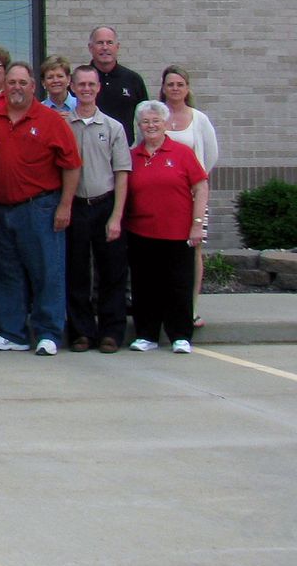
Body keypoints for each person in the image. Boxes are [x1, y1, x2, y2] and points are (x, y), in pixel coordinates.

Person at [0, 63, 81, 356]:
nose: (16, 88)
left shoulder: (50, 120)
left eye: (22, 82)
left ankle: (49, 333)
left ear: (33, 87)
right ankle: (13, 332)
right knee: (4, 273)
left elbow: (72, 165)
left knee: (47, 271)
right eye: (11, 82)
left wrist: (65, 206)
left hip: (39, 208)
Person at [125, 101, 209, 354]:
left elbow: (201, 187)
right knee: (144, 284)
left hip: (177, 231)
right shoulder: (133, 156)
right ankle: (146, 334)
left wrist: (197, 224)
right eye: (145, 122)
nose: (151, 126)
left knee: (178, 284)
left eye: (156, 121)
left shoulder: (182, 153)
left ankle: (180, 335)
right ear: (139, 126)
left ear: (165, 124)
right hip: (141, 231)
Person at [64, 64, 132, 352]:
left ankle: (111, 332)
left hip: (105, 204)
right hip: (75, 206)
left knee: (111, 272)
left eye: (91, 84)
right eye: (81, 85)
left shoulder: (113, 127)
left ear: (98, 88)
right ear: (73, 87)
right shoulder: (64, 125)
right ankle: (81, 332)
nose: (87, 89)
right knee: (77, 272)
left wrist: (116, 216)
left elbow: (122, 173)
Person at [159, 64, 220, 325]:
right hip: (160, 197)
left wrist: (193, 185)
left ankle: (190, 308)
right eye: (170, 84)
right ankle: (163, 308)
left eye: (179, 84)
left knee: (192, 252)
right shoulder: (156, 115)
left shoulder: (199, 119)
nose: (175, 88)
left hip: (192, 198)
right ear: (163, 88)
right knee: (160, 251)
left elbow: (211, 155)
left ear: (187, 88)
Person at [87, 26, 148, 141]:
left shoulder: (133, 79)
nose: (105, 47)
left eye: (109, 43)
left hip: (125, 149)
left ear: (117, 47)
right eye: (100, 43)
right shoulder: (80, 81)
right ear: (90, 48)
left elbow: (146, 118)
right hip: (90, 149)